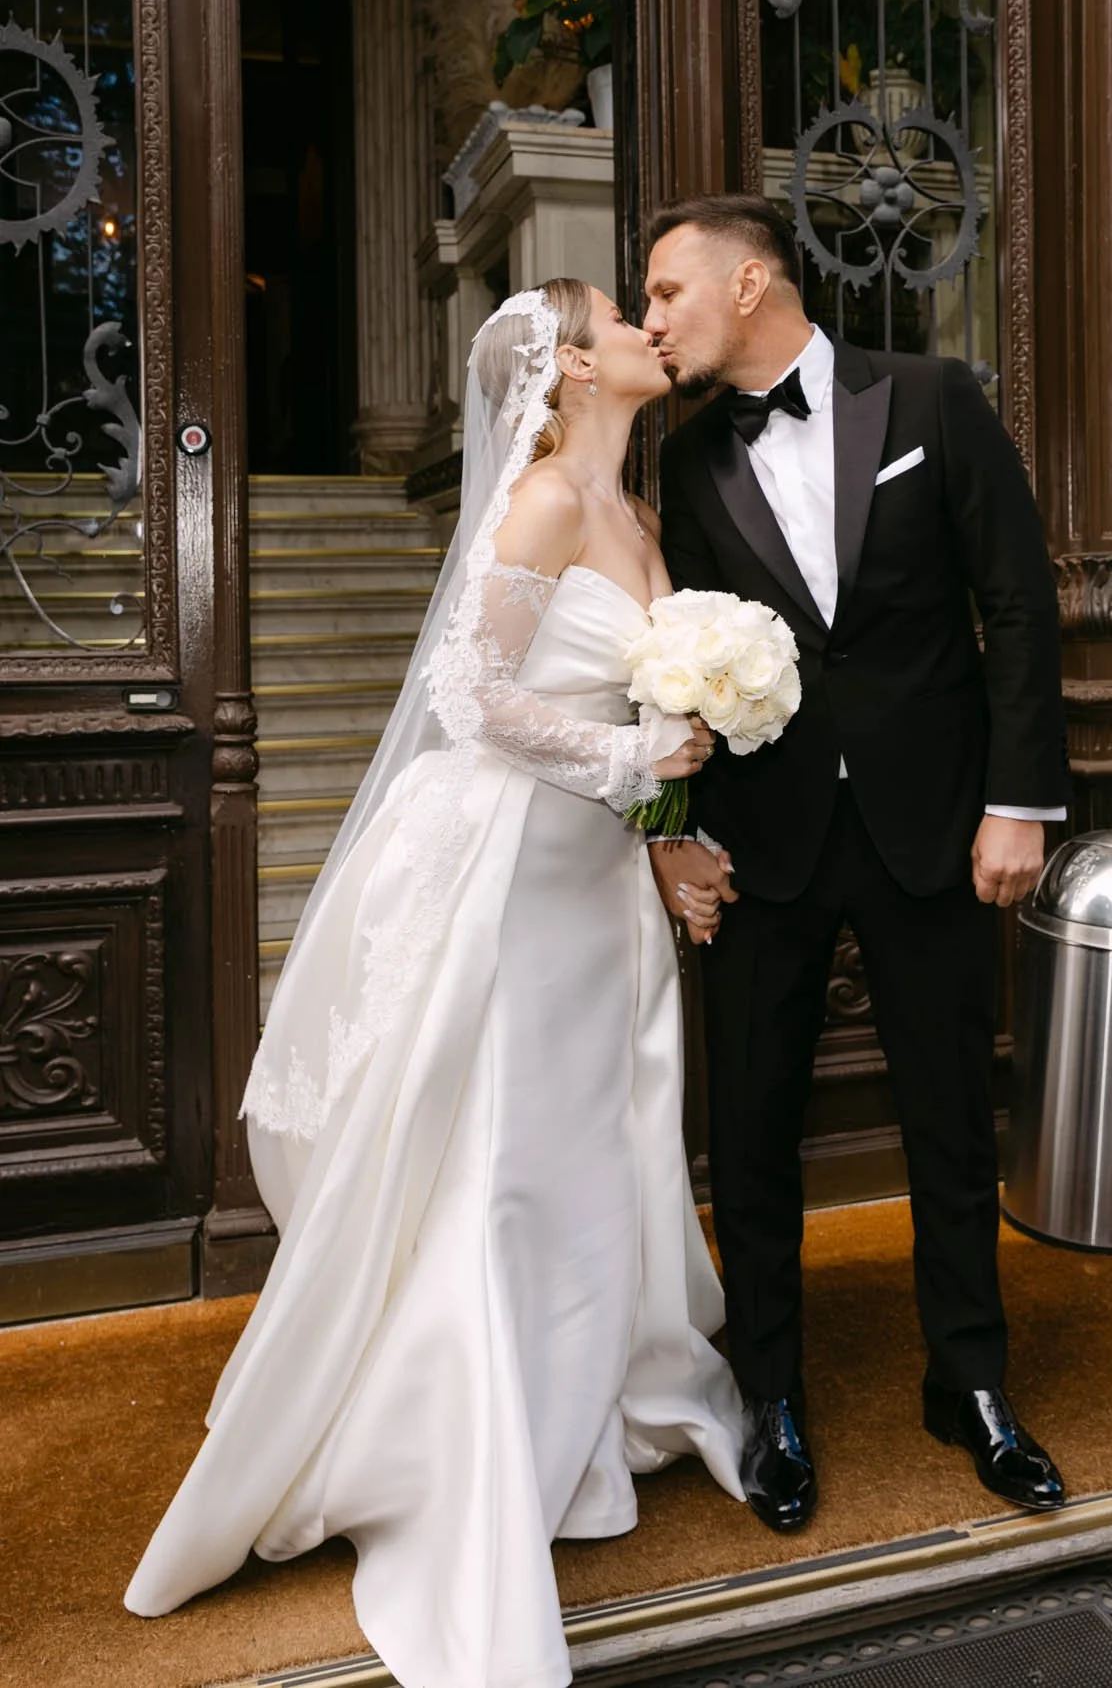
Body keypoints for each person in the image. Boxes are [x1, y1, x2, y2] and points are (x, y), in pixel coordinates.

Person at [124, 281, 745, 1688]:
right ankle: (469, 1426)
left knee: (587, 1135)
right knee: (502, 1147)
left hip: (592, 874)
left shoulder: (635, 513)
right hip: (506, 863)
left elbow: (647, 704)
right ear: (573, 363)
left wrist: (667, 828)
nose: (649, 330)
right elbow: (473, 699)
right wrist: (631, 762)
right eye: (623, 316)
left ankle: (579, 1397)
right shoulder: (542, 502)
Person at [643, 195, 1070, 1534]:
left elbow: (1016, 602)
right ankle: (769, 1394)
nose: (652, 321)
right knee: (750, 1131)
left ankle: (971, 1381)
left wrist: (1017, 802)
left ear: (750, 282)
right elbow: (668, 660)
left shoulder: (933, 399)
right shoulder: (686, 460)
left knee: (950, 1115)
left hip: (931, 825)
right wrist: (672, 833)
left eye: (667, 292)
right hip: (757, 845)